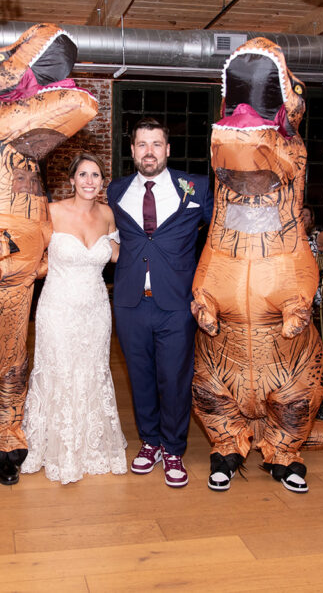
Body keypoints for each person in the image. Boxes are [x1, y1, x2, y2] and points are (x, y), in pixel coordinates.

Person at [107, 117, 213, 488]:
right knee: (140, 378)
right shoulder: (115, 191)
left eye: (156, 144)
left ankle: (173, 448)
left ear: (167, 149)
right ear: (132, 150)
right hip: (130, 302)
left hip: (177, 303)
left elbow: (218, 240)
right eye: (141, 144)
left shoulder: (196, 187)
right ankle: (149, 442)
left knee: (174, 378)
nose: (148, 151)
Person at [22, 153, 127, 483]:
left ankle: (92, 445)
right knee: (58, 372)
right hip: (57, 307)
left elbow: (119, 256)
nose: (89, 181)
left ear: (101, 182)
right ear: (71, 180)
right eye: (83, 175)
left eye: (95, 175)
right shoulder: (51, 213)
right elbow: (30, 256)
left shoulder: (109, 215)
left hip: (96, 309)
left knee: (92, 372)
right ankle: (51, 447)